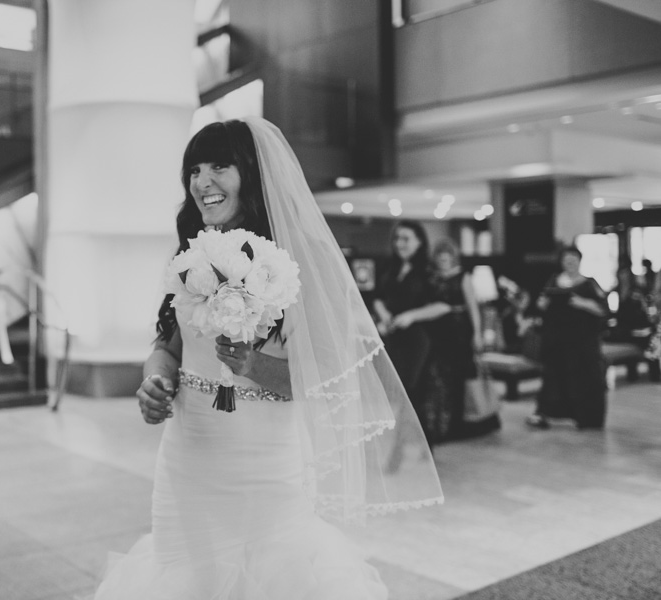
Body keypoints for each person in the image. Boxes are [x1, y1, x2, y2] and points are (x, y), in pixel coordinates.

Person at [92, 118, 443, 599]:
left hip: (263, 464)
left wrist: (249, 364)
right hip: (186, 460)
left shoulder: (302, 259)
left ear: (253, 175)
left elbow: (324, 380)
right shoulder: (191, 254)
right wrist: (155, 380)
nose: (202, 182)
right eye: (194, 170)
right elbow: (167, 347)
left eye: (220, 166)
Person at [371, 221, 452, 445]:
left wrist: (412, 316)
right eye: (397, 238)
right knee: (396, 393)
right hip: (393, 336)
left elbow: (444, 305)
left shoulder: (428, 269)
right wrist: (384, 315)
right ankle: (401, 447)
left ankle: (416, 447)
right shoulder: (390, 267)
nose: (399, 243)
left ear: (419, 241)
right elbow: (377, 296)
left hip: (419, 340)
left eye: (405, 238)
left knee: (411, 392)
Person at [527, 246, 608, 430]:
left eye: (573, 259)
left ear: (580, 261)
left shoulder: (589, 283)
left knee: (585, 379)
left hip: (583, 343)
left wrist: (584, 303)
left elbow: (603, 310)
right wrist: (542, 304)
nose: (570, 263)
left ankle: (587, 418)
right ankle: (548, 415)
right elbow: (542, 306)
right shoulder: (554, 281)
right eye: (566, 259)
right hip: (557, 342)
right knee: (554, 378)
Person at [430, 239, 500, 439]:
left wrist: (477, 333)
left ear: (453, 258)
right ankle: (445, 422)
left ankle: (467, 420)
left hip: (459, 331)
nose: (444, 261)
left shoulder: (463, 276)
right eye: (440, 258)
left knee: (463, 376)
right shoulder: (432, 277)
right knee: (443, 378)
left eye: (447, 257)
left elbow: (473, 307)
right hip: (438, 331)